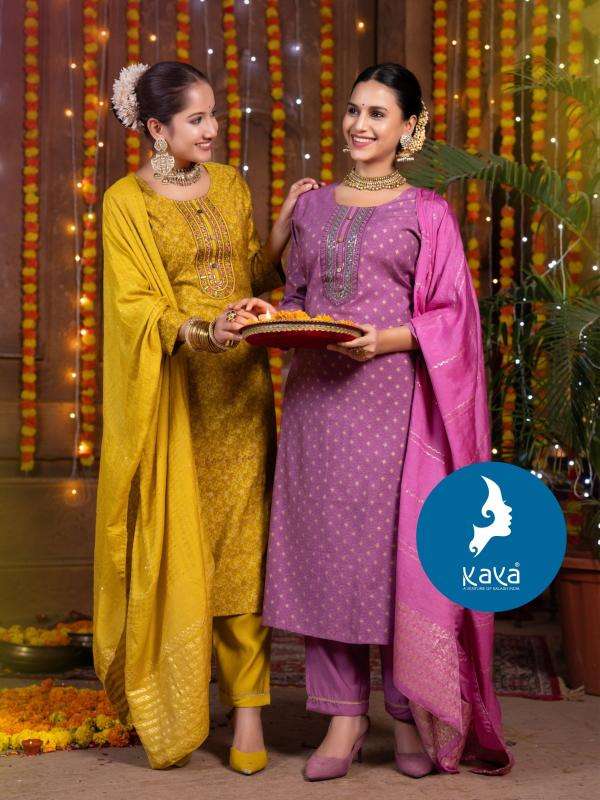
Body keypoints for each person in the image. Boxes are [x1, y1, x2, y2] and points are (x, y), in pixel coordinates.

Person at [242, 62, 514, 780]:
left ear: (409, 128)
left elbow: (454, 315)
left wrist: (387, 339)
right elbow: (300, 297)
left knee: (395, 556)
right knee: (326, 553)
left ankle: (407, 714)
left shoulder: (429, 212)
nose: (359, 125)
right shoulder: (311, 207)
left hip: (397, 403)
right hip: (317, 405)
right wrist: (272, 315)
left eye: (378, 114)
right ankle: (343, 719)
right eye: (354, 110)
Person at [93, 60, 317, 772]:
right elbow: (135, 307)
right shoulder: (125, 203)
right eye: (197, 119)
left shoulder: (228, 184)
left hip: (242, 393)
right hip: (177, 396)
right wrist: (204, 330)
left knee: (245, 549)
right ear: (157, 128)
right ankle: (184, 698)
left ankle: (248, 709)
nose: (213, 128)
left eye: (213, 114)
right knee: (184, 547)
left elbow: (252, 274)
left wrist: (281, 227)